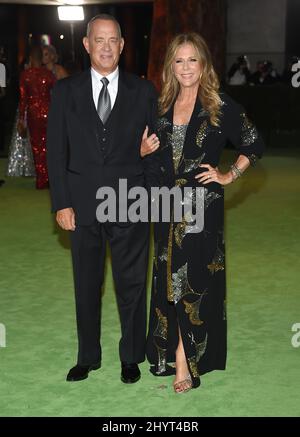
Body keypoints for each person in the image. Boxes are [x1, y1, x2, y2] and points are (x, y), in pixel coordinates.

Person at [141, 33, 264, 393]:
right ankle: (172, 351)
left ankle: (184, 359)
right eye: (178, 61)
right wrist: (143, 151)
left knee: (192, 281)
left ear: (204, 64)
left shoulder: (219, 105)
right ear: (171, 66)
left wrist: (229, 174)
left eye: (192, 60)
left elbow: (254, 142)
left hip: (201, 208)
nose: (185, 68)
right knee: (167, 280)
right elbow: (148, 154)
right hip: (164, 205)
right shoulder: (160, 105)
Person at [46, 14, 159, 383]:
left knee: (131, 285)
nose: (106, 47)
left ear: (123, 45)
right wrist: (61, 203)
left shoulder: (143, 91)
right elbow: (55, 154)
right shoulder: (65, 92)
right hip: (81, 206)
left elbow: (156, 146)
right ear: (86, 44)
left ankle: (131, 357)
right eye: (99, 40)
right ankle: (88, 357)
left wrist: (145, 154)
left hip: (131, 201)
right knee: (86, 285)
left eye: (113, 40)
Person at [18, 45, 56, 188]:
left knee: (37, 146)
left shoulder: (25, 75)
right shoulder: (49, 74)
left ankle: (41, 179)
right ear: (41, 59)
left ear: (31, 58)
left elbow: (23, 100)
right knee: (50, 145)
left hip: (34, 113)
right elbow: (57, 94)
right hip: (50, 111)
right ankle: (51, 177)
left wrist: (22, 119)